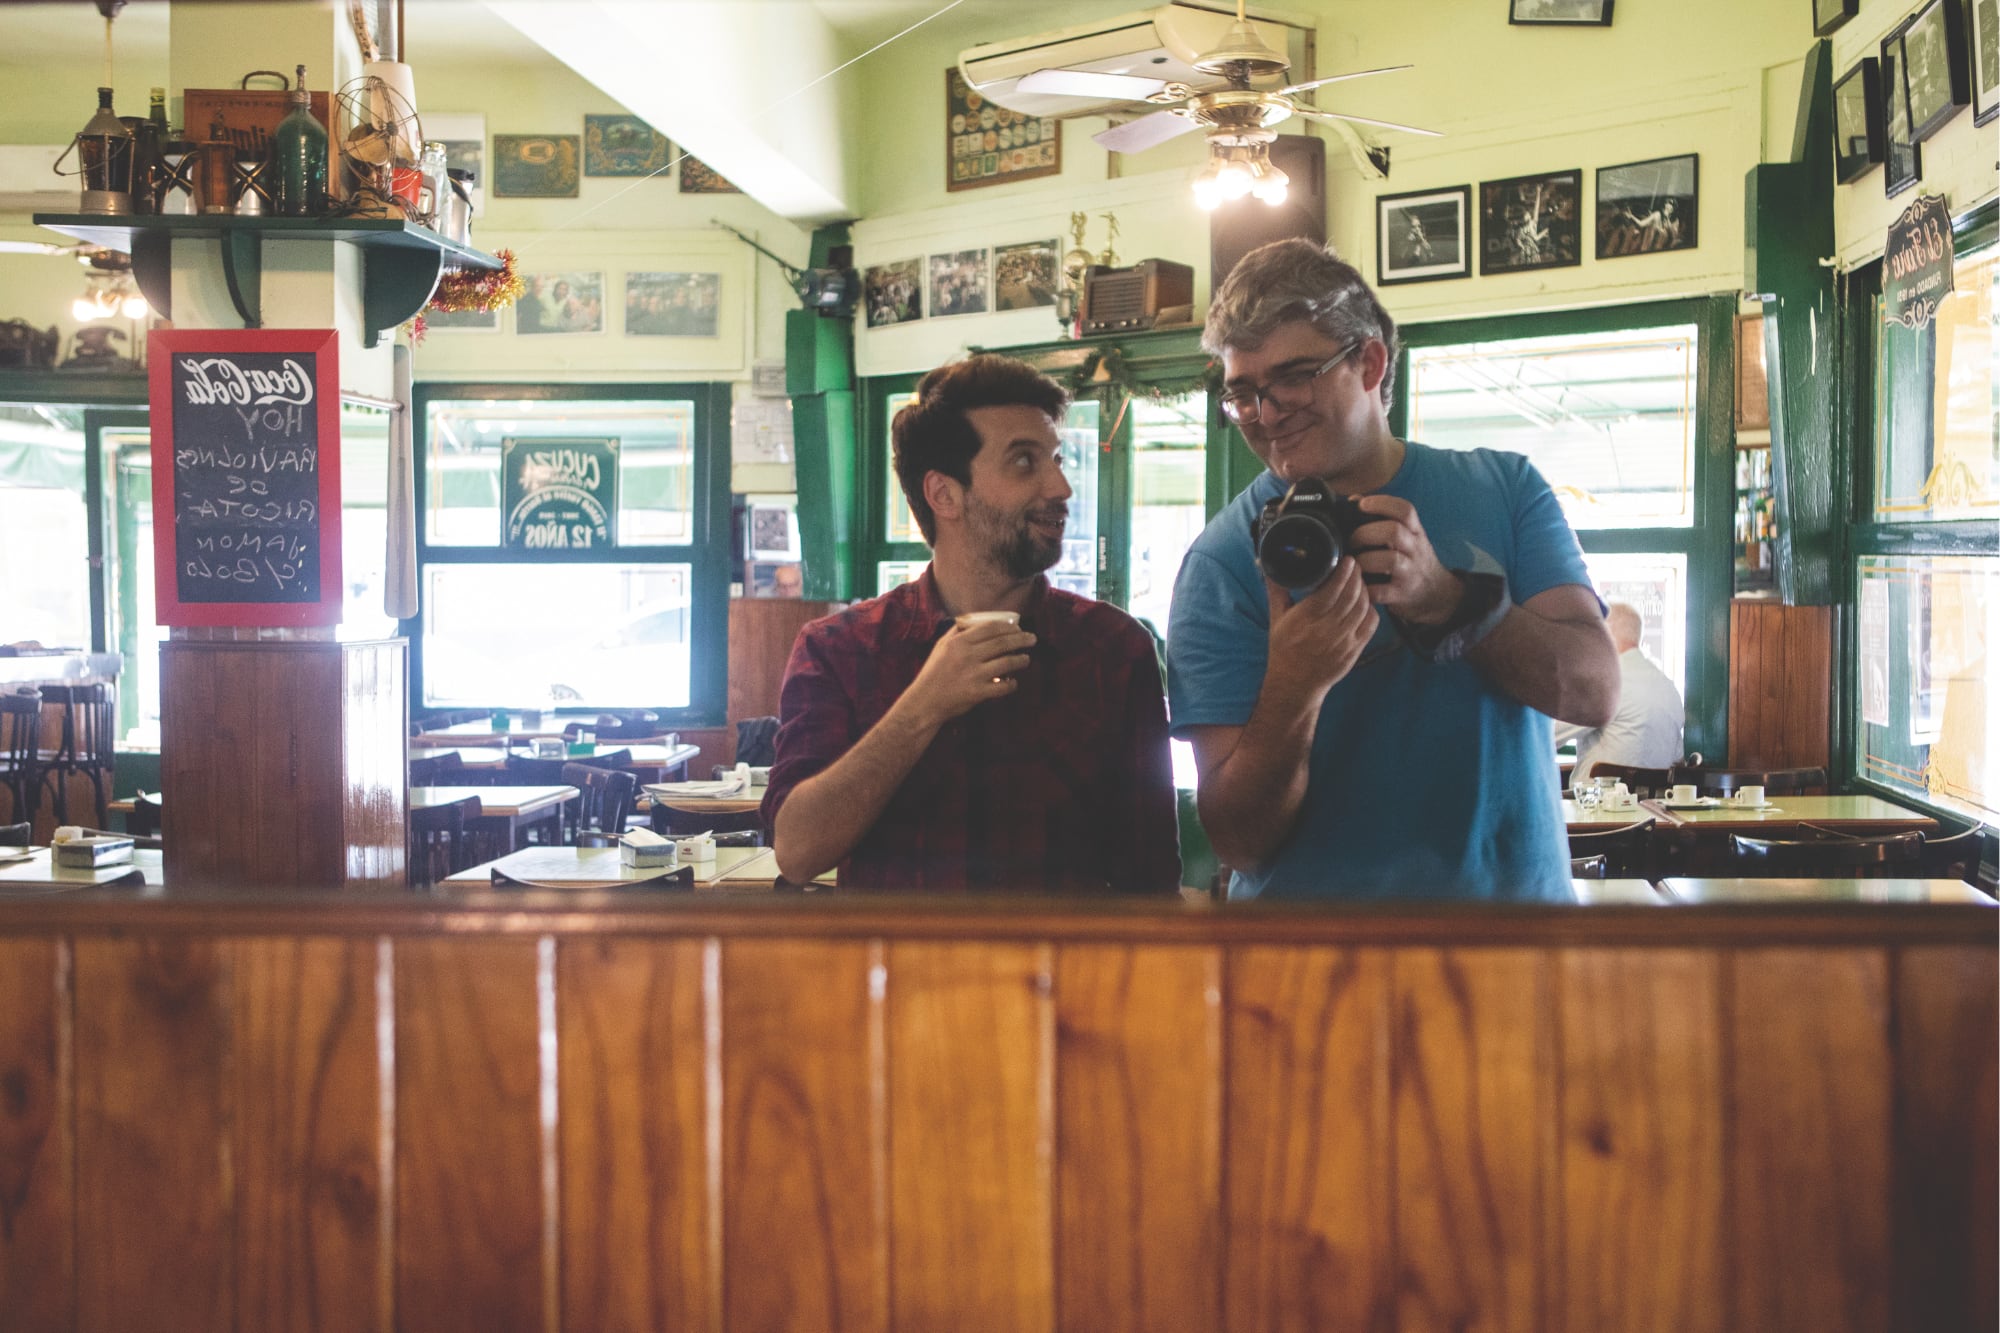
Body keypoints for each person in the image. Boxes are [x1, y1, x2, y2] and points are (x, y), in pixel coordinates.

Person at [1166, 238, 1619, 900]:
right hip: (1315, 969)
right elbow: (1238, 843)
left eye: (1292, 377)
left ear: (1370, 361)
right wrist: (1293, 688)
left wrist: (1451, 601)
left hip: (1515, 946)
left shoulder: (1506, 487)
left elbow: (1593, 691)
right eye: (1243, 393)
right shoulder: (1224, 559)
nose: (1265, 414)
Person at [763, 354, 1180, 894]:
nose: (1060, 487)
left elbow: (1151, 881)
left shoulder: (1113, 648)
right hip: (897, 977)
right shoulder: (839, 650)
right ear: (944, 494)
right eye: (1025, 462)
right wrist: (924, 705)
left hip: (1062, 977)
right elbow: (796, 853)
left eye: (1055, 459)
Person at [1557, 601, 1683, 784]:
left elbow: (1551, 734)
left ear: (1605, 634)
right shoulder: (1669, 689)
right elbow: (1677, 759)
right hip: (1652, 809)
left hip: (1597, 808)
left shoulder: (1605, 681)